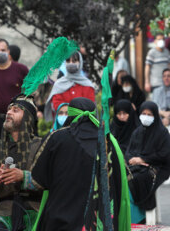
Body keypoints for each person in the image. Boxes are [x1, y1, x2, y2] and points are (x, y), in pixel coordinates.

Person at [32, 97, 129, 231]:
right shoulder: (109, 142)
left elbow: (38, 180)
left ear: (70, 115)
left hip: (60, 220)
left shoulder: (56, 138)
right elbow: (121, 181)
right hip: (97, 223)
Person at [0, 94, 42, 231]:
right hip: (2, 212)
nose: (9, 112)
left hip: (34, 210)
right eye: (9, 110)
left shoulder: (41, 147)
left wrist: (24, 176)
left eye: (16, 110)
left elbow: (51, 180)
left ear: (28, 118)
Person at [125, 101, 170, 223]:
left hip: (159, 167)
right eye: (143, 113)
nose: (146, 117)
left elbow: (164, 155)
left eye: (149, 114)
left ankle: (138, 218)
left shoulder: (162, 133)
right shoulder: (138, 132)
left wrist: (143, 159)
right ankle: (128, 216)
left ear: (155, 115)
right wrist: (134, 161)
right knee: (122, 176)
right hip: (137, 166)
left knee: (138, 179)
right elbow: (129, 151)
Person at [44, 51, 95, 121]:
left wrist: (69, 109)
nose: (71, 63)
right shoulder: (59, 84)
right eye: (68, 61)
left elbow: (90, 106)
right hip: (63, 124)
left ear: (80, 63)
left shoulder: (87, 85)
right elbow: (56, 105)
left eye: (74, 61)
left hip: (83, 124)